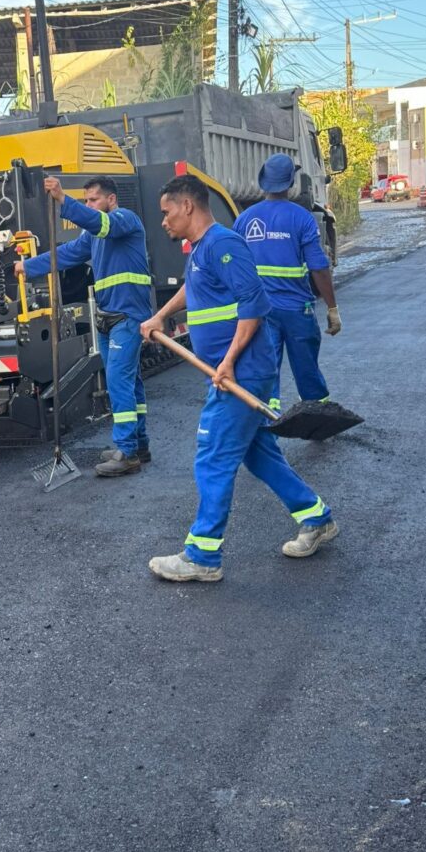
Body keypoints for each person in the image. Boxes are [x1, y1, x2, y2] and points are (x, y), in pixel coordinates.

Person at [141, 174, 338, 583]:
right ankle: (316, 516)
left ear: (188, 206)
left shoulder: (225, 243)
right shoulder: (201, 250)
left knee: (212, 457)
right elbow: (195, 289)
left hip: (242, 371)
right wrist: (162, 315)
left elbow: (255, 306)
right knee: (256, 453)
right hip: (234, 369)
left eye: (166, 211)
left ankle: (202, 556)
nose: (163, 221)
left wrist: (228, 362)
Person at [15, 175, 152, 477]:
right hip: (107, 317)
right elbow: (67, 254)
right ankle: (138, 444)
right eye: (86, 200)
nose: (89, 205)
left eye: (93, 200)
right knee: (130, 382)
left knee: (118, 380)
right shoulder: (94, 236)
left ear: (111, 200)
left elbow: (100, 224)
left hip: (127, 315)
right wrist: (29, 266)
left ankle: (127, 452)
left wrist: (65, 200)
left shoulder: (124, 220)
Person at [233, 153, 341, 413]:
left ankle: (269, 417)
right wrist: (332, 308)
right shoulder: (302, 217)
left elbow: (235, 266)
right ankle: (318, 413)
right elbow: (319, 267)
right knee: (306, 366)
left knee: (266, 366)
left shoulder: (244, 220)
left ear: (263, 182)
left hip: (259, 311)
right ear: (291, 183)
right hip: (296, 309)